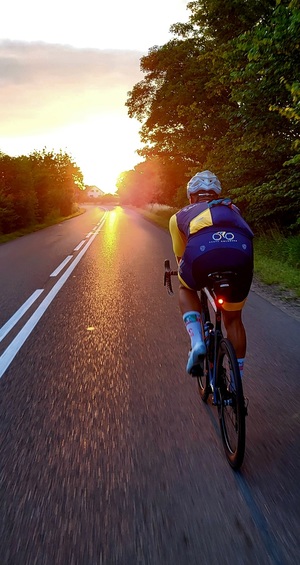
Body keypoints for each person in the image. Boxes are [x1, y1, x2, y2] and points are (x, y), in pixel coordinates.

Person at [169, 170, 254, 376]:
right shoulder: (234, 209)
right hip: (241, 257)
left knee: (186, 287)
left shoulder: (179, 216)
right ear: (217, 195)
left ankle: (197, 341)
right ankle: (237, 380)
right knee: (234, 321)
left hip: (202, 258)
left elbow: (181, 259)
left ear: (191, 196)